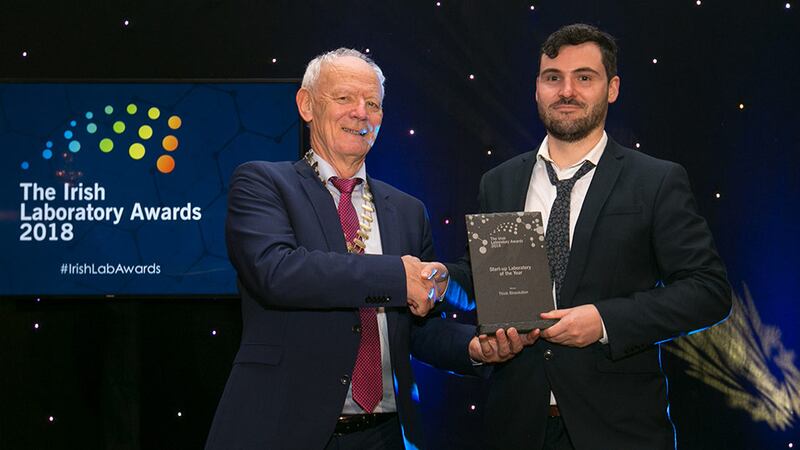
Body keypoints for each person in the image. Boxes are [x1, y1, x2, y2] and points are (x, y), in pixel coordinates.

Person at [445, 24, 732, 449]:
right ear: (537, 88)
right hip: (516, 427)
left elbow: (709, 291)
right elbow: (486, 281)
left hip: (620, 429)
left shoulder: (655, 180)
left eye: (584, 77)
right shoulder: (499, 182)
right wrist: (439, 278)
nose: (567, 91)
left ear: (611, 88)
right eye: (553, 77)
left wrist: (603, 321)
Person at [205, 48, 475, 450]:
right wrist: (399, 278)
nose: (360, 113)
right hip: (281, 430)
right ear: (307, 105)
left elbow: (414, 333)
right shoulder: (263, 183)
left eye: (373, 104)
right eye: (345, 98)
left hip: (387, 434)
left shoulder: (407, 210)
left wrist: (474, 348)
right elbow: (277, 272)